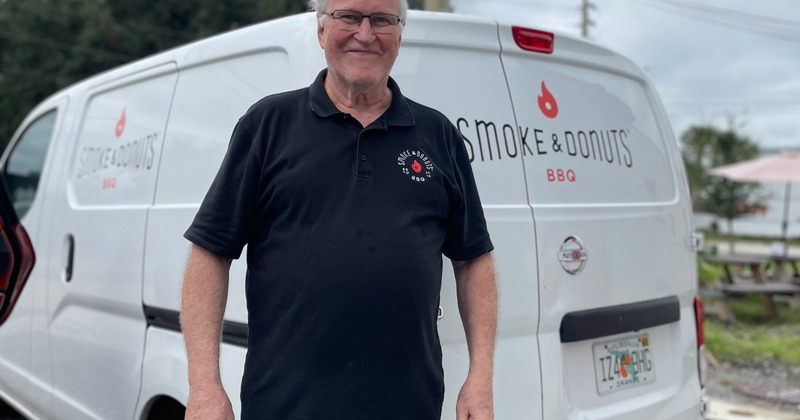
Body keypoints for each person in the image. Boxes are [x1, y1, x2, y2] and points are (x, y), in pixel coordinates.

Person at [181, 0, 497, 418]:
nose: (365, 34)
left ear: (399, 35)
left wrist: (480, 377)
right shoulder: (268, 125)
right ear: (321, 30)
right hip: (286, 407)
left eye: (382, 20)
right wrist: (204, 385)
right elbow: (210, 252)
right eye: (349, 16)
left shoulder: (438, 135)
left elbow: (473, 260)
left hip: (408, 406)